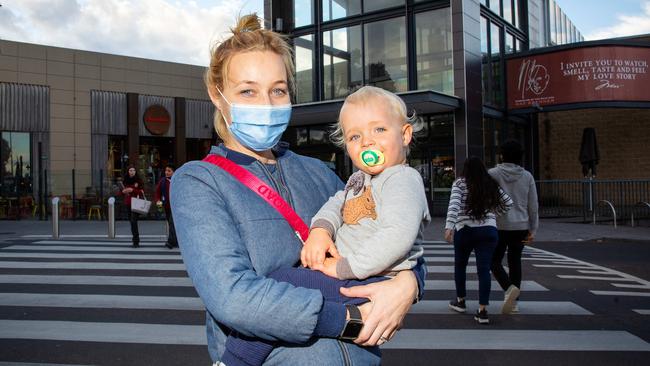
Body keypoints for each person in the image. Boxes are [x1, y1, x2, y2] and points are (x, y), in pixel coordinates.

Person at [170, 14, 425, 366]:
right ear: (217, 95)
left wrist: (410, 284)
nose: (267, 104)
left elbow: (391, 236)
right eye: (247, 90)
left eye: (278, 90)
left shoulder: (320, 173)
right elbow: (233, 297)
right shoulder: (198, 180)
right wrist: (349, 321)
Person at [222, 85, 431, 366]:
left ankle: (235, 361)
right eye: (355, 136)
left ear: (405, 135)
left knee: (280, 285)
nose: (367, 142)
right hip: (358, 276)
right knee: (283, 302)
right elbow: (336, 204)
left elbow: (398, 237)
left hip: (367, 278)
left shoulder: (401, 180)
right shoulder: (361, 180)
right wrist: (321, 230)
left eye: (378, 130)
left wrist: (345, 268)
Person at [445, 157, 512, 324]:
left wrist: (449, 227)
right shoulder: (490, 183)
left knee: (460, 266)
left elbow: (454, 205)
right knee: (484, 270)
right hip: (488, 231)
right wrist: (493, 214)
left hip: (465, 230)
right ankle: (483, 311)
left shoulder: (460, 183)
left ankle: (460, 301)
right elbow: (508, 203)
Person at [489, 140, 539, 314]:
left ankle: (508, 288)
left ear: (502, 155)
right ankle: (514, 303)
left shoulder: (493, 174)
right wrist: (533, 229)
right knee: (515, 261)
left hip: (498, 225)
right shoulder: (527, 176)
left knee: (493, 260)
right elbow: (533, 206)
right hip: (521, 225)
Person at [154, 164, 177, 249]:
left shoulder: (177, 180)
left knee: (172, 223)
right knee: (171, 224)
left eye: (169, 171)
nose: (166, 172)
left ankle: (170, 242)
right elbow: (157, 193)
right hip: (167, 206)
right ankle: (175, 241)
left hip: (176, 207)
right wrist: (158, 200)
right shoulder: (162, 181)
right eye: (166, 170)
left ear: (173, 172)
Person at [121, 165, 144, 248]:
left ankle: (136, 241)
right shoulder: (125, 181)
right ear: (128, 172)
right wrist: (123, 191)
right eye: (130, 170)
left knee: (134, 221)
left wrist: (133, 190)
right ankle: (135, 240)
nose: (132, 172)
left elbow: (142, 192)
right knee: (131, 222)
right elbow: (120, 193)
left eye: (133, 170)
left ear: (135, 171)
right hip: (128, 203)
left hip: (136, 203)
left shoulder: (139, 181)